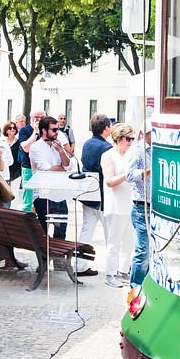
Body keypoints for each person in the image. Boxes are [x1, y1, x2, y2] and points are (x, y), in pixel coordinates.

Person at [73, 114, 110, 277]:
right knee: (111, 232)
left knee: (86, 230)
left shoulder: (87, 144)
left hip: (88, 193)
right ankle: (113, 267)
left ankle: (79, 264)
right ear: (106, 128)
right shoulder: (106, 147)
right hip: (102, 195)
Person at [100, 123, 137, 284]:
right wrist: (127, 175)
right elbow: (109, 181)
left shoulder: (130, 155)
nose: (130, 142)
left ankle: (123, 270)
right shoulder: (108, 155)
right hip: (115, 203)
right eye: (127, 139)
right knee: (114, 242)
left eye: (132, 139)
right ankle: (110, 274)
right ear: (118, 139)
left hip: (130, 202)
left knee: (129, 242)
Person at [26, 114, 71, 240]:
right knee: (43, 233)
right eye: (54, 130)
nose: (57, 132)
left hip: (59, 193)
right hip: (43, 194)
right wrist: (60, 168)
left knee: (61, 231)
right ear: (44, 131)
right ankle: (44, 259)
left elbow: (69, 165)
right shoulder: (36, 147)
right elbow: (45, 169)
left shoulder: (58, 145)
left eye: (58, 129)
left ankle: (59, 259)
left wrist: (61, 152)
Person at [127, 126, 153, 287]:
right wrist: (148, 171)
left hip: (154, 207)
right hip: (141, 207)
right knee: (142, 251)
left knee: (151, 251)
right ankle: (135, 286)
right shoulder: (137, 151)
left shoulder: (158, 151)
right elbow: (129, 175)